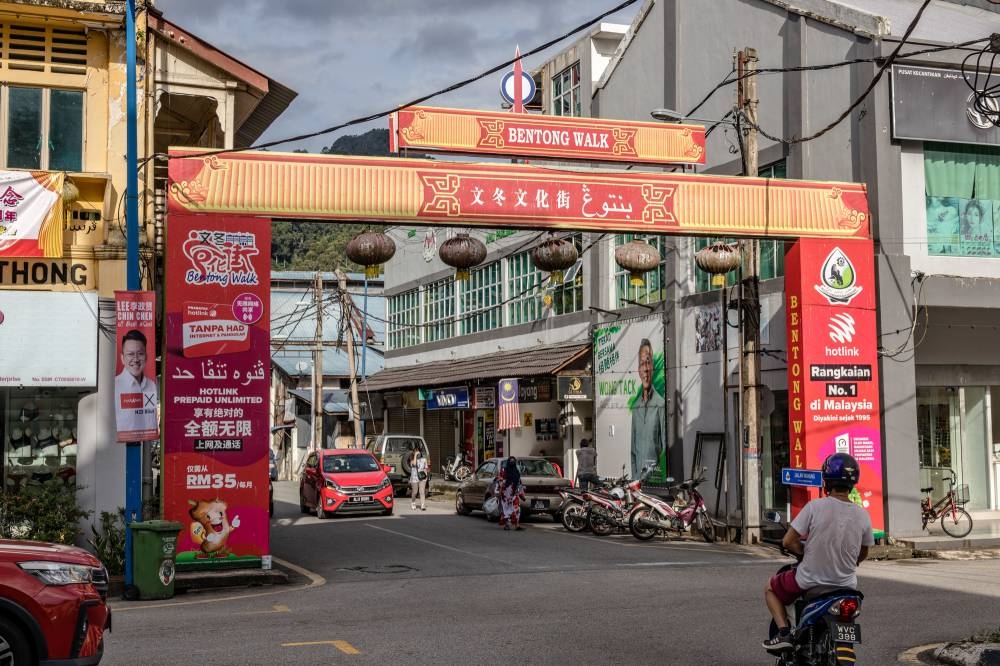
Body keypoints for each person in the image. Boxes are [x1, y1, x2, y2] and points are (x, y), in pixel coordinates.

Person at [762, 453, 875, 652]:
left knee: (770, 589)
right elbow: (863, 552)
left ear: (827, 481)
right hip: (847, 586)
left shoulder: (815, 507)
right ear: (853, 483)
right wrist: (848, 563)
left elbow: (789, 541)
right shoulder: (863, 515)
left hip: (810, 580)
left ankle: (784, 633)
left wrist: (803, 552)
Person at [114, 329, 158, 440]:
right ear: (122, 358)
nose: (136, 359)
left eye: (140, 354)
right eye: (130, 354)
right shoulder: (116, 386)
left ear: (146, 356)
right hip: (122, 445)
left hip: (147, 441)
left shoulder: (152, 385)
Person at [630, 338, 665, 479]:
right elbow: (633, 451)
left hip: (655, 479)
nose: (645, 368)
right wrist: (634, 479)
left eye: (648, 362)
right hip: (638, 480)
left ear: (653, 367)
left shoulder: (660, 404)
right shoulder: (636, 407)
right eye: (641, 364)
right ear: (638, 370)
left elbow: (664, 448)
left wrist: (659, 474)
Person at [495, 456, 525, 531]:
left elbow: (519, 483)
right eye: (510, 461)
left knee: (516, 508)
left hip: (514, 494)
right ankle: (507, 525)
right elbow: (500, 480)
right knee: (506, 510)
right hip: (505, 495)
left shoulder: (516, 471)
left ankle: (517, 525)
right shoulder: (504, 471)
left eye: (513, 461)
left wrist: (521, 494)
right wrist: (500, 489)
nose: (512, 462)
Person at [408, 447, 428, 511]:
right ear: (413, 453)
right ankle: (413, 502)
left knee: (422, 491)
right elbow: (414, 464)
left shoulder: (424, 459)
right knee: (415, 492)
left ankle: (422, 505)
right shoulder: (412, 460)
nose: (417, 453)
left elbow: (426, 468)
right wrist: (415, 456)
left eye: (418, 451)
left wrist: (426, 476)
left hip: (422, 477)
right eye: (415, 452)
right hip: (414, 478)